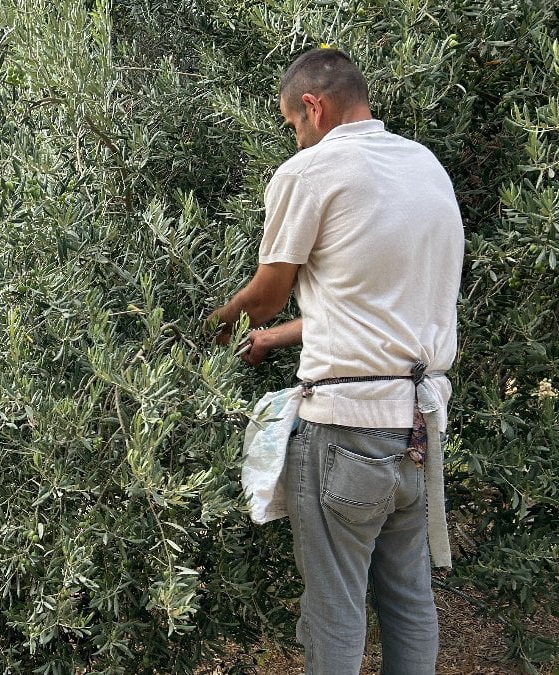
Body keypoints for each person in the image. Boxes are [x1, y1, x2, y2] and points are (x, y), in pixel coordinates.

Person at [210, 48, 463, 674]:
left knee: (334, 608)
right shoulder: (425, 168)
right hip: (419, 429)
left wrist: (211, 327)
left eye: (293, 125)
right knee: (409, 601)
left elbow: (266, 295)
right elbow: (368, 308)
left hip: (347, 429)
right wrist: (274, 341)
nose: (295, 139)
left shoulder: (312, 172)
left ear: (313, 108)